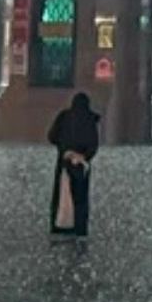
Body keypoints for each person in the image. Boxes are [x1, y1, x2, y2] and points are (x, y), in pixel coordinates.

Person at [48, 92, 101, 236]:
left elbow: (52, 136)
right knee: (81, 197)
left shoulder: (64, 117)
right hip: (81, 164)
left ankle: (60, 225)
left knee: (61, 194)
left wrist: (65, 150)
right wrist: (84, 156)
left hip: (64, 161)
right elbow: (94, 144)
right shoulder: (90, 120)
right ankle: (79, 227)